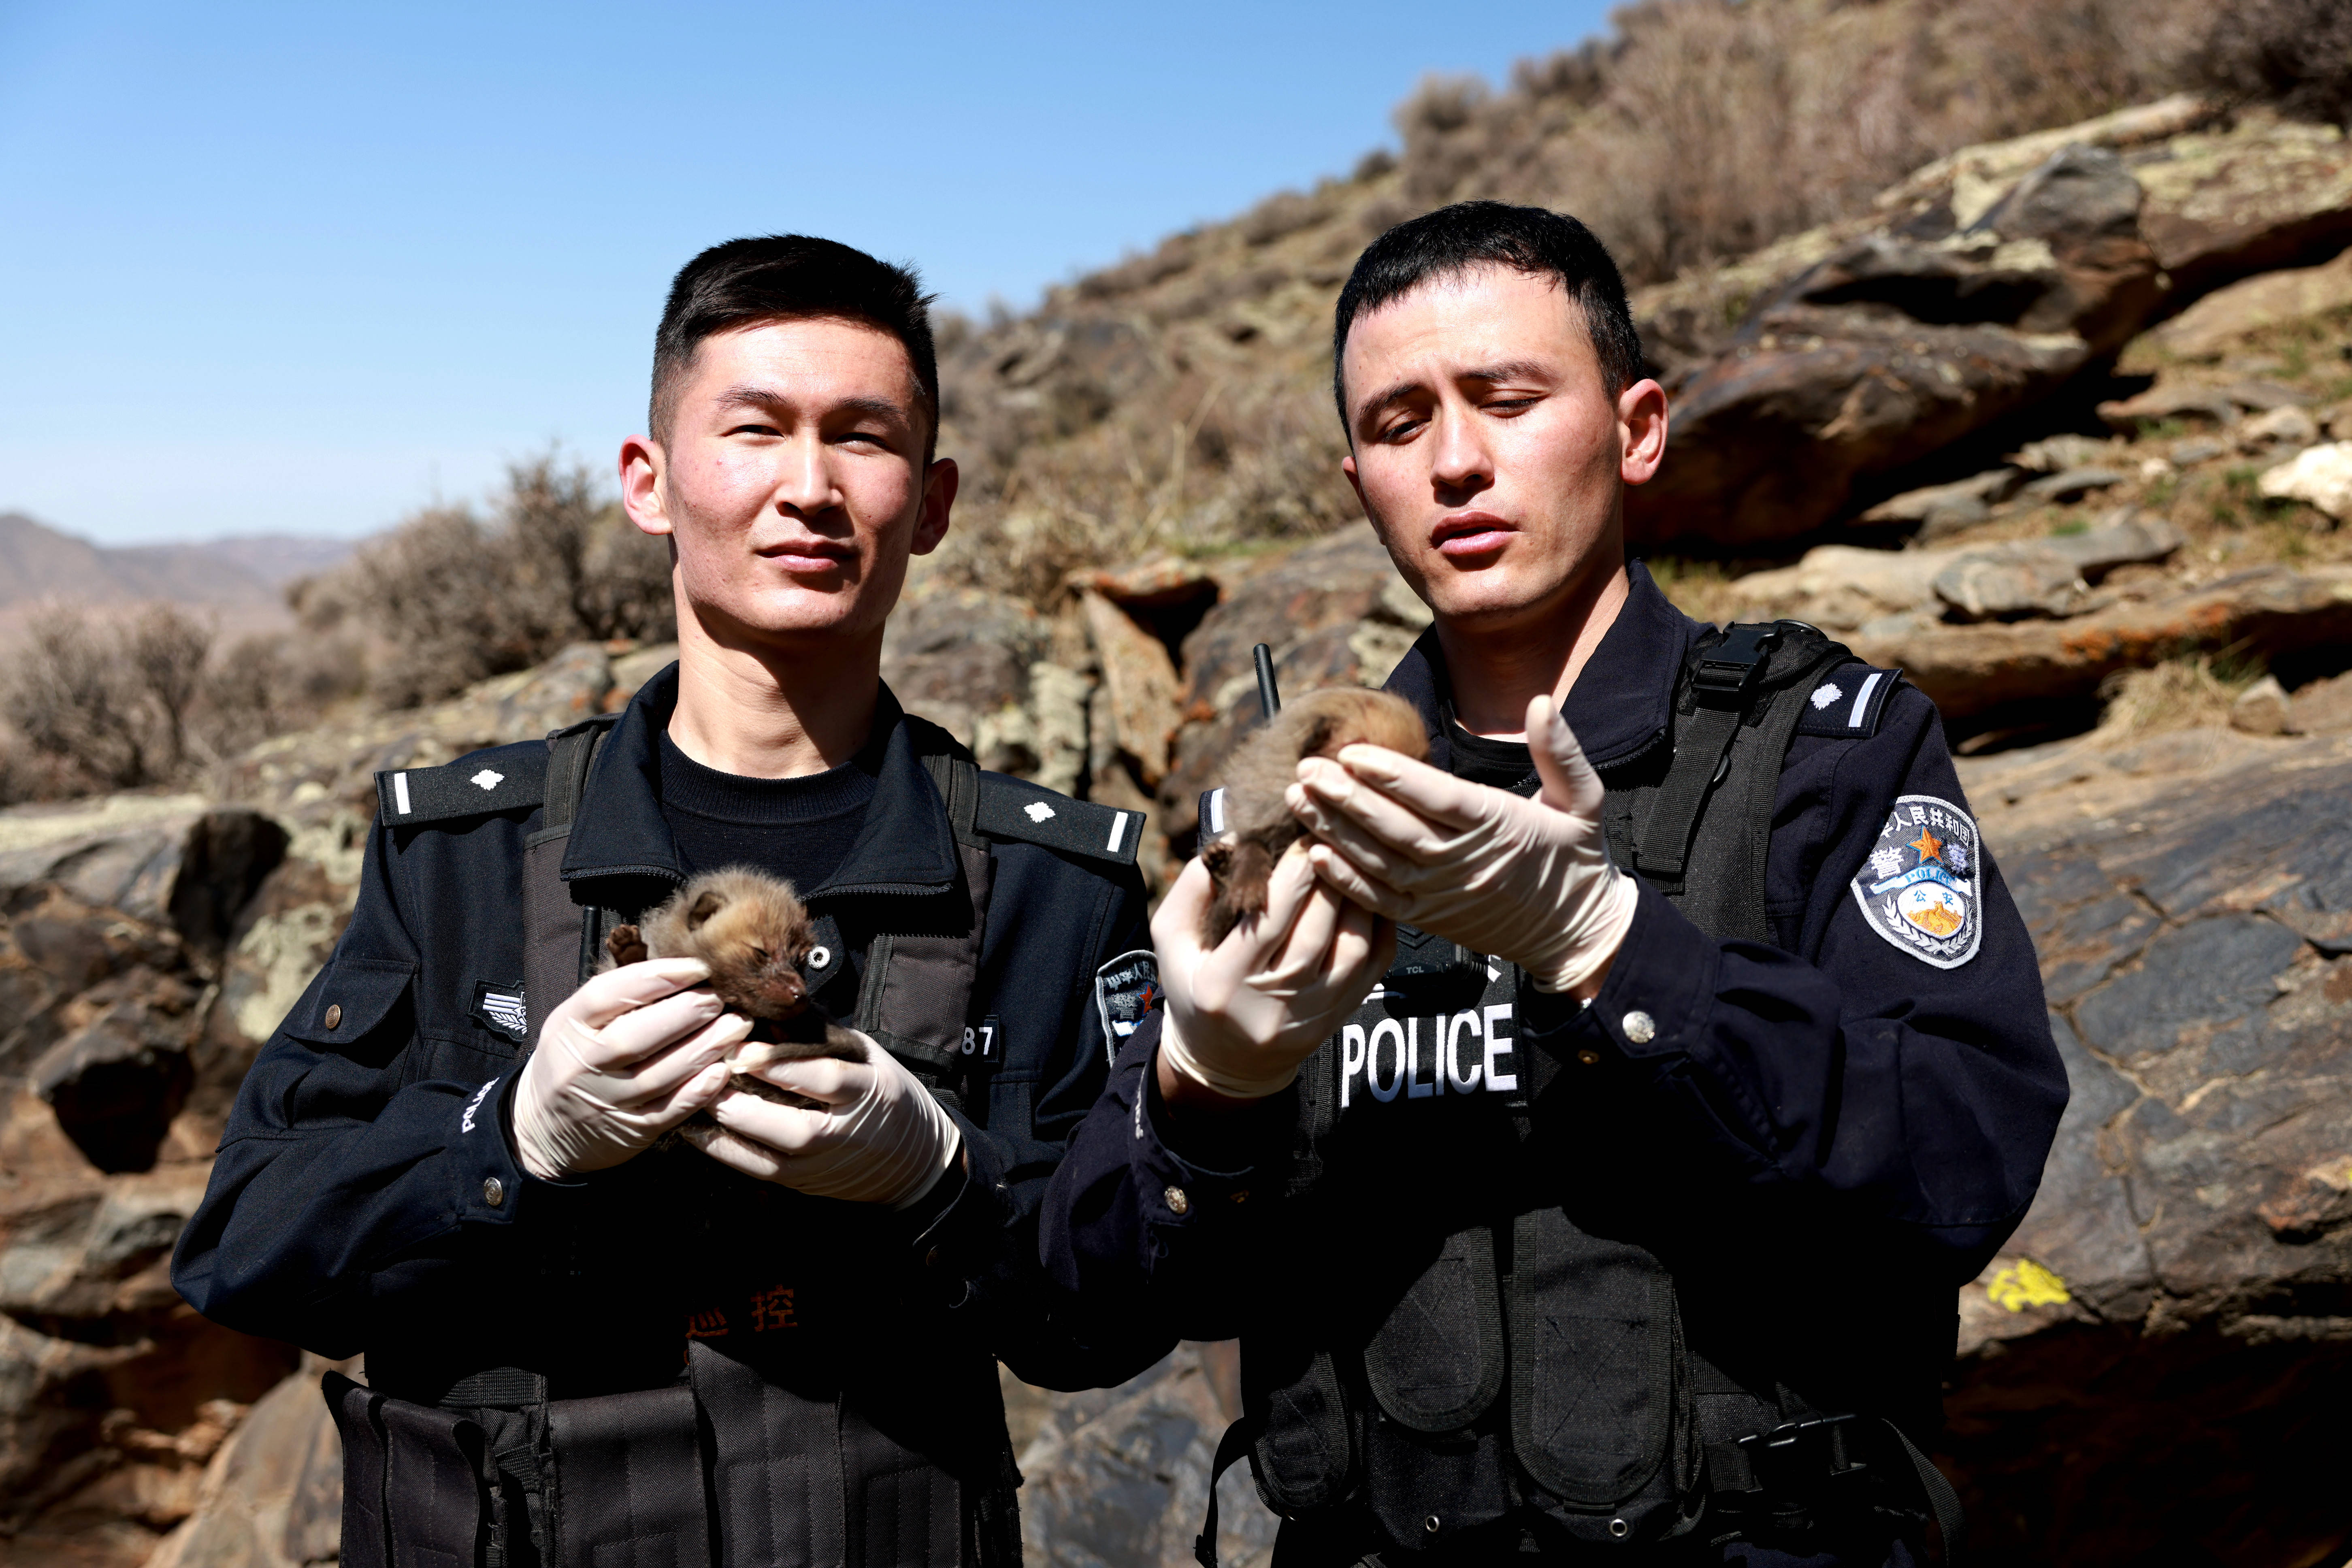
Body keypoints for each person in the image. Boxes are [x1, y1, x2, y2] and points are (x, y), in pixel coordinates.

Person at [1044, 202, 2068, 1565]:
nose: (1458, 461)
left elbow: (1962, 1164)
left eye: (1509, 400)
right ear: (1359, 483)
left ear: (1637, 428)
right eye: (1401, 426)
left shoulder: (1823, 746)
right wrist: (1201, 1101)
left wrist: (1614, 951)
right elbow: (1086, 1309)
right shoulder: (1281, 811)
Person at [174, 236, 1167, 1568]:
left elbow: (1109, 1322)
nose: (808, 488)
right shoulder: (464, 857)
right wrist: (506, 1140)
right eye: (754, 429)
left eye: (861, 440)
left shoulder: (1052, 888)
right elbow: (245, 1247)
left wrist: (943, 1175)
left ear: (929, 504)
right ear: (649, 483)